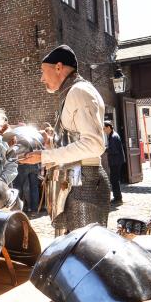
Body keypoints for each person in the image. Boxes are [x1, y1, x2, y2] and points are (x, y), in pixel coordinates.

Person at [20, 45, 108, 235]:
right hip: (74, 183)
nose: (41, 78)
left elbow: (94, 144)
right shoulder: (73, 92)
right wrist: (49, 148)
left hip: (82, 183)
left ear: (58, 67)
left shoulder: (79, 91)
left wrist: (45, 156)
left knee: (82, 248)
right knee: (68, 247)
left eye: (43, 71)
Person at [103, 122, 125, 204]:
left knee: (114, 179)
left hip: (115, 161)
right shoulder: (112, 135)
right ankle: (117, 197)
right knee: (114, 179)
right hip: (115, 161)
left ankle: (118, 198)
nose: (104, 130)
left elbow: (114, 150)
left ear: (109, 127)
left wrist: (104, 149)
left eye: (104, 128)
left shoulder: (113, 136)